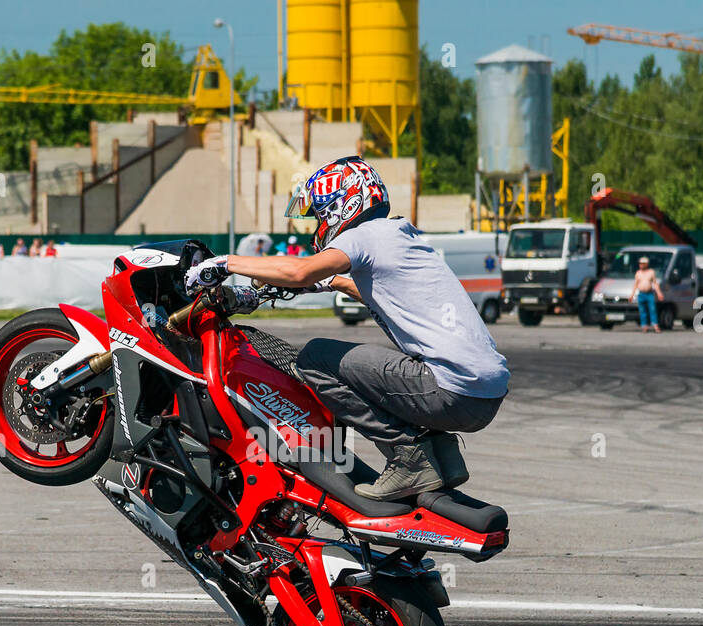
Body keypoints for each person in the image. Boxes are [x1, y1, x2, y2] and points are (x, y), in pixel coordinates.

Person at [183, 155, 509, 502]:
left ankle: (409, 459)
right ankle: (441, 453)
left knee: (315, 358)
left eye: (320, 214)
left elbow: (299, 271)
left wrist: (225, 263)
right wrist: (332, 284)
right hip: (483, 395)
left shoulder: (364, 236)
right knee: (383, 365)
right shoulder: (399, 234)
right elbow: (380, 292)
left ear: (345, 203)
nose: (318, 224)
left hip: (450, 390)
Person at [631, 256, 664, 332]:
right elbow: (635, 284)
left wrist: (659, 293)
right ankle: (644, 326)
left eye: (642, 263)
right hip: (641, 294)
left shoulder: (651, 272)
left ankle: (655, 325)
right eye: (640, 263)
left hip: (649, 294)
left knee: (652, 310)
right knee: (642, 311)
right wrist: (632, 295)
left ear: (646, 264)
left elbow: (655, 284)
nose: (641, 265)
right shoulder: (638, 273)